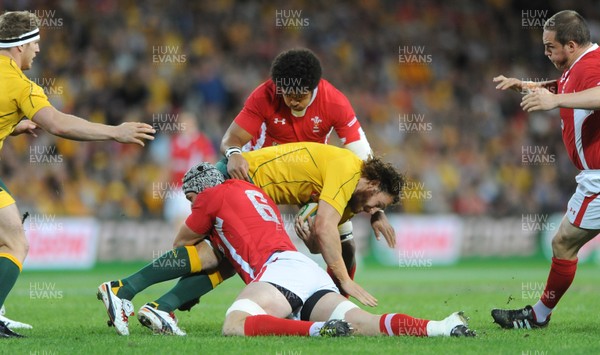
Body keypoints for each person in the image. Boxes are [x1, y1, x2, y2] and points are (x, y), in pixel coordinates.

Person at [103, 163, 476, 338]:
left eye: (190, 199)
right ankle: (441, 327)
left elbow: (180, 244)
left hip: (275, 273)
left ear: (201, 189)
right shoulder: (254, 193)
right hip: (305, 266)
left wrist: (205, 225)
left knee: (234, 324)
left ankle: (315, 331)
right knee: (363, 324)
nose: (191, 203)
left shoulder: (212, 196)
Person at [0, 11, 155, 338]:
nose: (39, 50)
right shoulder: (19, 85)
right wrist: (115, 131)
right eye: (36, 43)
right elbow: (59, 124)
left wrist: (11, 126)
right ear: (20, 45)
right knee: (14, 243)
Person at [220, 48, 396, 291]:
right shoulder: (264, 95)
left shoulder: (334, 102)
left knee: (346, 245)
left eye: (299, 96)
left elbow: (365, 159)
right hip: (264, 178)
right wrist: (234, 154)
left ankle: (337, 310)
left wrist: (377, 211)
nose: (292, 101)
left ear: (314, 88)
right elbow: (232, 138)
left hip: (312, 180)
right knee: (233, 246)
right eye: (287, 94)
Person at [492, 10, 600, 329]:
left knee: (563, 243)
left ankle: (538, 316)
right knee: (564, 242)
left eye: (550, 47)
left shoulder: (593, 65)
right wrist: (524, 86)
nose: (546, 53)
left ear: (570, 44)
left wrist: (555, 103)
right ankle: (538, 315)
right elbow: (562, 85)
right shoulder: (578, 67)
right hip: (591, 177)